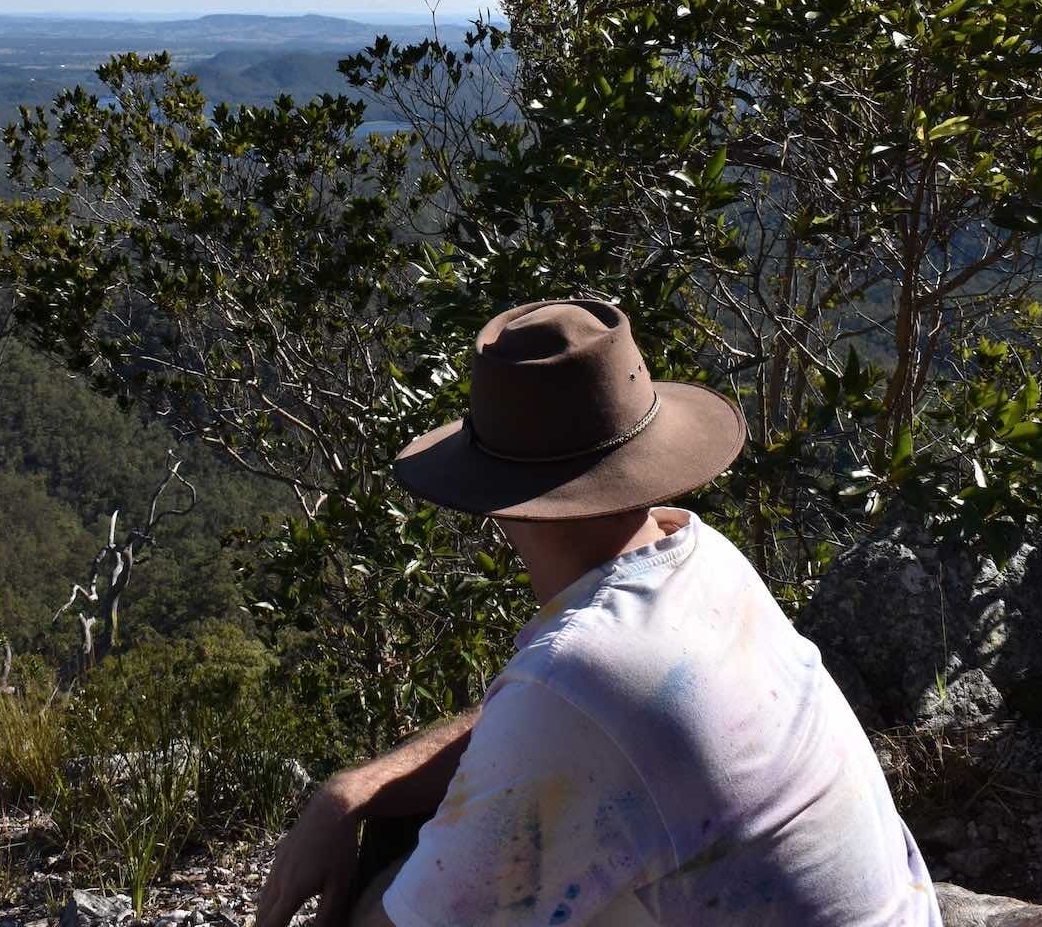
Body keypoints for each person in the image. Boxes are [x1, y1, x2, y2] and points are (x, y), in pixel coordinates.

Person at [255, 299, 941, 927]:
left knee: (392, 873)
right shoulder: (702, 556)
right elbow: (544, 732)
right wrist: (357, 789)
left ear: (493, 495)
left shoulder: (582, 674)